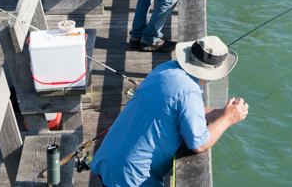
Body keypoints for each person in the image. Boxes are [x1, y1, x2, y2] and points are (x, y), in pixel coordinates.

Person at [92, 35, 248, 187]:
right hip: (133, 177)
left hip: (108, 158)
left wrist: (220, 113)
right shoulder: (190, 92)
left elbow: (183, 112)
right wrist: (228, 119)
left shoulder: (166, 68)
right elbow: (199, 143)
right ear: (212, 74)